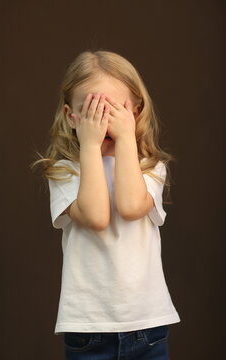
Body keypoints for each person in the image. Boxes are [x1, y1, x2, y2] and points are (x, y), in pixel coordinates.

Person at [30, 50, 181, 359]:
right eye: (92, 112)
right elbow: (96, 216)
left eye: (113, 109)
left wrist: (126, 140)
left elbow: (130, 207)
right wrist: (89, 144)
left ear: (136, 112)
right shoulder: (66, 171)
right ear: (72, 117)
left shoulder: (150, 167)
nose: (103, 121)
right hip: (89, 329)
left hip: (147, 324)